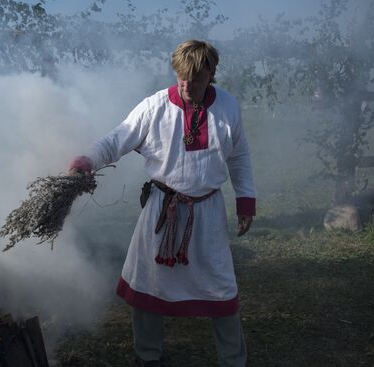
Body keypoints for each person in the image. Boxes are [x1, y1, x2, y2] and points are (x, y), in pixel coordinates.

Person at [70, 40, 256, 367]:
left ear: (211, 74)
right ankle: (148, 358)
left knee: (222, 290)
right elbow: (117, 139)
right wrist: (88, 160)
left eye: (195, 77)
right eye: (181, 76)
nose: (186, 84)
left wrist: (245, 200)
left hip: (208, 214)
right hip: (161, 210)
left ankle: (233, 361)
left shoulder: (228, 107)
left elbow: (239, 157)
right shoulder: (154, 106)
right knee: (149, 286)